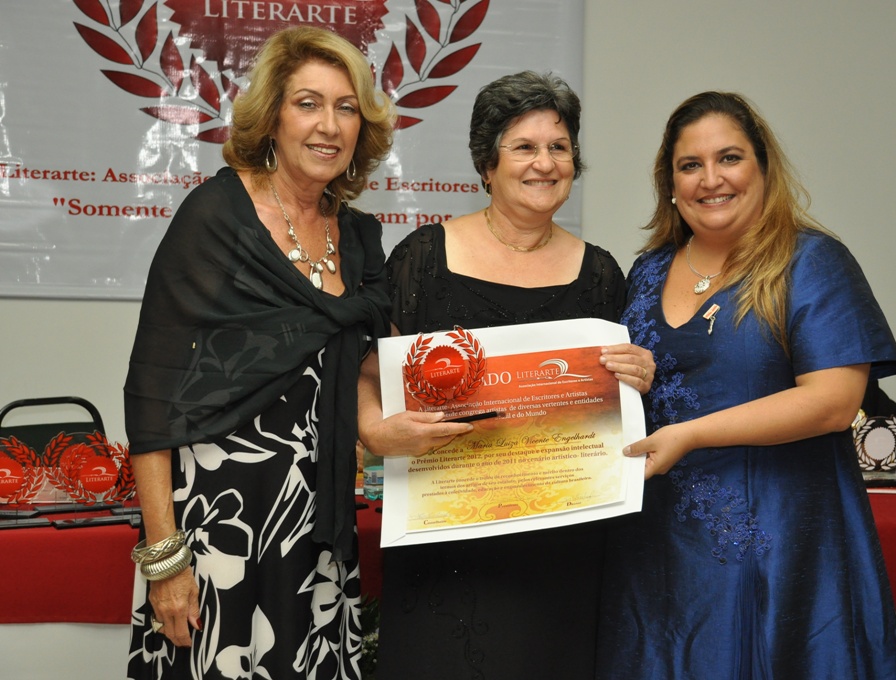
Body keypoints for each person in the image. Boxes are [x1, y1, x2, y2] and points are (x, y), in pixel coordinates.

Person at [596, 91, 896, 679]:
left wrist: (691, 434)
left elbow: (833, 402)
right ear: (670, 183)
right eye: (690, 165)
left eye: (730, 158)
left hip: (776, 547)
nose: (711, 179)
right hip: (654, 552)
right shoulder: (648, 269)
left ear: (763, 168)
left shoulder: (810, 261)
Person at [357, 71, 655, 680]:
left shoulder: (602, 275)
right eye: (524, 146)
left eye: (559, 147)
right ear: (486, 164)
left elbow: (614, 409)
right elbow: (367, 375)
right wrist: (375, 432)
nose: (545, 163)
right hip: (445, 545)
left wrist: (638, 375)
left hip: (562, 551)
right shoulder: (423, 258)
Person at [123, 26, 393, 679]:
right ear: (272, 116)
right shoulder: (215, 217)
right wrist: (165, 559)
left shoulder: (359, 238)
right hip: (217, 533)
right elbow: (152, 399)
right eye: (308, 103)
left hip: (318, 532)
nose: (329, 125)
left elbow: (364, 373)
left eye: (346, 107)